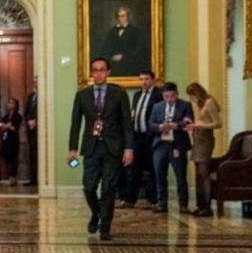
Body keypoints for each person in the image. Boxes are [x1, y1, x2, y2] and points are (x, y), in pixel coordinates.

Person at [68, 57, 134, 241]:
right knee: (88, 187)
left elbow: (127, 124)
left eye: (102, 69)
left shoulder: (119, 94)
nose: (99, 73)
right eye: (95, 70)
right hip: (91, 147)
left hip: (113, 148)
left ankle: (105, 226)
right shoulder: (82, 95)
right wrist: (72, 149)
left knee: (108, 189)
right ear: (92, 73)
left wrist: (129, 148)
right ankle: (96, 213)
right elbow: (75, 123)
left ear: (108, 72)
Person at [118, 70, 163, 208]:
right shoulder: (137, 95)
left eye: (147, 79)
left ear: (153, 80)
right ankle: (129, 199)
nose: (144, 82)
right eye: (141, 79)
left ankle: (152, 200)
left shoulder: (158, 95)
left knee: (153, 169)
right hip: (137, 136)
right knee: (133, 169)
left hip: (152, 137)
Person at [149, 82, 194, 214]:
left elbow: (189, 120)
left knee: (180, 176)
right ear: (163, 96)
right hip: (160, 145)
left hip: (177, 145)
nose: (169, 99)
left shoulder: (185, 105)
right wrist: (159, 127)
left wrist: (178, 126)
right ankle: (161, 203)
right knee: (160, 175)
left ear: (177, 94)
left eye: (172, 96)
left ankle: (183, 205)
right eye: (166, 96)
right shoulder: (157, 106)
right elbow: (151, 124)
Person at [185, 82, 222, 217]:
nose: (191, 99)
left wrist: (199, 126)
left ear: (197, 93)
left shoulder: (209, 102)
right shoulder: (200, 105)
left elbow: (217, 123)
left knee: (203, 173)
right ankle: (200, 205)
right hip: (198, 139)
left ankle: (207, 206)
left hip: (205, 140)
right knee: (198, 174)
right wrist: (194, 125)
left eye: (192, 96)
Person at [100, 7, 146, 77]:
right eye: (118, 16)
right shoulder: (111, 32)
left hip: (130, 66)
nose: (119, 18)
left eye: (122, 16)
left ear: (128, 17)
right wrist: (111, 57)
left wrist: (123, 57)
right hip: (114, 67)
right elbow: (105, 49)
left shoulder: (135, 31)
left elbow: (138, 51)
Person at [0, 97, 22, 186]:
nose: (10, 105)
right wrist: (7, 126)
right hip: (6, 139)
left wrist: (8, 126)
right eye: (9, 103)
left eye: (12, 103)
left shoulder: (18, 116)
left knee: (13, 159)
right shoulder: (5, 116)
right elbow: (2, 127)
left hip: (13, 140)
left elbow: (14, 128)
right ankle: (9, 177)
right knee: (7, 158)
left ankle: (13, 178)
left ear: (16, 105)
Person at [25, 76, 38, 186]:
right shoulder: (31, 96)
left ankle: (40, 180)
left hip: (40, 131)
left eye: (37, 80)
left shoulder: (44, 96)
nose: (35, 82)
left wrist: (37, 121)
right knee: (32, 155)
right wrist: (29, 121)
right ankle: (33, 179)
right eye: (34, 80)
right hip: (31, 131)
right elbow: (26, 111)